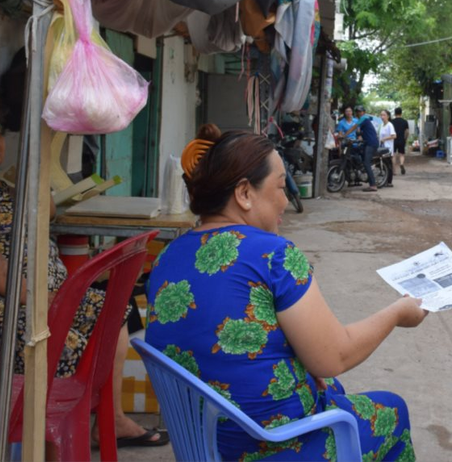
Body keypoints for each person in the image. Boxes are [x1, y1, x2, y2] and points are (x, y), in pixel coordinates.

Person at [146, 126, 426, 461]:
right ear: (244, 193)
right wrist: (396, 313)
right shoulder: (273, 255)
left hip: (206, 445)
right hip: (272, 446)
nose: (285, 198)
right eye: (280, 186)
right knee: (392, 409)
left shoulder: (167, 256)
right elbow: (334, 356)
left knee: (328, 385)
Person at [0, 50, 169, 452]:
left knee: (119, 304)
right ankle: (104, 419)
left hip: (49, 304)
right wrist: (45, 297)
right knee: (106, 310)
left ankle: (109, 419)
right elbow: (11, 283)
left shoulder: (5, 190)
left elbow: (44, 210)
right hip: (25, 324)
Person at [340, 105, 381, 192]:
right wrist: (355, 140)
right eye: (358, 111)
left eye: (360, 111)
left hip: (371, 143)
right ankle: (359, 170)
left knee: (366, 163)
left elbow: (353, 128)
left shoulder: (364, 118)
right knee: (355, 150)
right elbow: (360, 133)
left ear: (364, 112)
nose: (359, 113)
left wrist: (344, 135)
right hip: (366, 142)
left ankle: (373, 185)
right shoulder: (362, 121)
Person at [379, 109, 396, 188]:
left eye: (384, 115)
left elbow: (394, 136)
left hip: (388, 148)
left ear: (388, 116)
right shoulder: (381, 125)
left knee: (388, 164)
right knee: (383, 164)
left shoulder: (390, 125)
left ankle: (389, 181)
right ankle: (385, 180)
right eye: (381, 115)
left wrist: (384, 139)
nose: (382, 117)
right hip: (382, 148)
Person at [390, 108, 409, 175]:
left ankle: (394, 171)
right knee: (401, 154)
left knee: (393, 155)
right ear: (401, 113)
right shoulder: (404, 121)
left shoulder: (392, 122)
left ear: (395, 113)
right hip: (401, 140)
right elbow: (407, 131)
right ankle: (401, 164)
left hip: (393, 140)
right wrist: (405, 139)